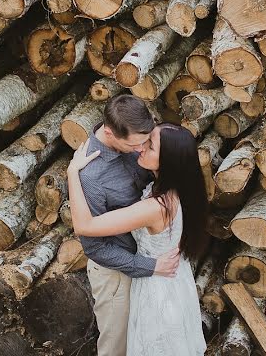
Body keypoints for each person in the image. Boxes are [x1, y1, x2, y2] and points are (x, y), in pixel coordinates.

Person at [69, 121, 209, 356]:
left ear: (168, 162)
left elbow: (85, 225)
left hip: (156, 288)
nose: (140, 147)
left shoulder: (156, 207)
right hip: (174, 280)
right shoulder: (183, 188)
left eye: (150, 146)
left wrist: (72, 173)